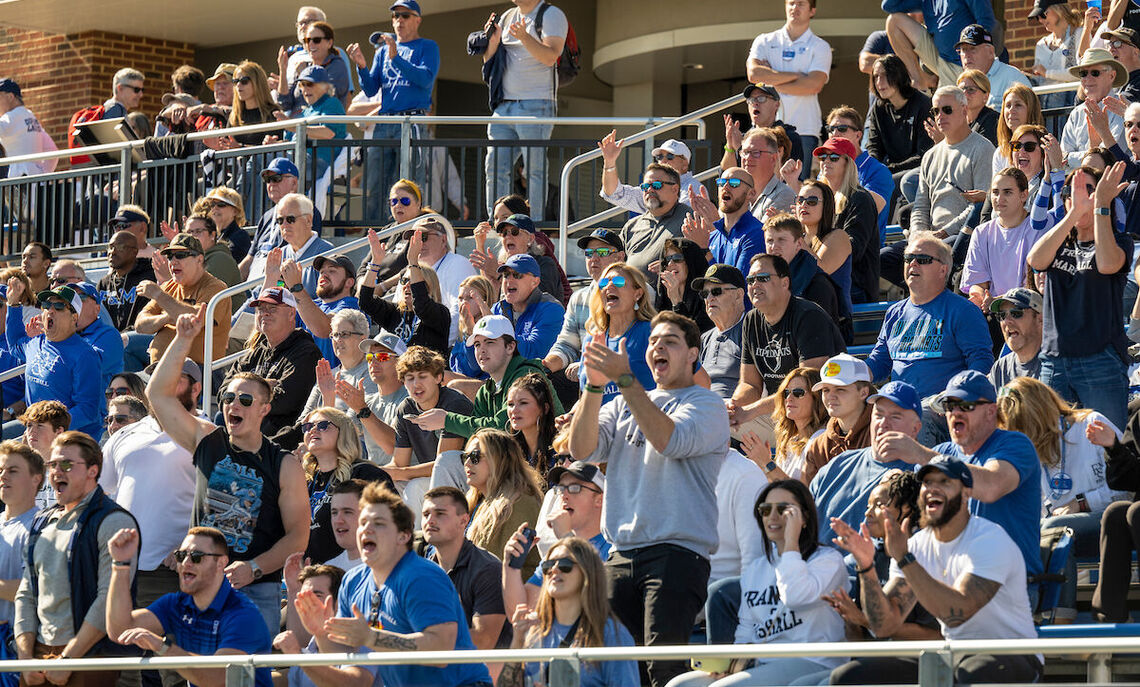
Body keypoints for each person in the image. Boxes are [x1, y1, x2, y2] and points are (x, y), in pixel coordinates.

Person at [569, 311, 729, 687]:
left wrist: (625, 379)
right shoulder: (620, 404)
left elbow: (668, 441)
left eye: (670, 341)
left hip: (677, 555)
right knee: (616, 672)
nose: (658, 347)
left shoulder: (708, 405)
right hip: (620, 555)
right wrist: (594, 388)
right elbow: (581, 449)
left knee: (663, 670)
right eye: (654, 341)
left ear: (693, 354)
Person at [146, 305, 310, 636]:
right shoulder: (208, 440)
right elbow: (157, 395)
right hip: (200, 582)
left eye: (245, 401)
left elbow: (298, 535)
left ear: (264, 409)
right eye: (229, 398)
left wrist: (254, 568)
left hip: (254, 589)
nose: (234, 404)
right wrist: (183, 339)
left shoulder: (284, 463)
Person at [829, 456, 1043, 685]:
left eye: (945, 482)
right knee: (848, 676)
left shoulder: (989, 539)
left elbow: (957, 613)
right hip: (952, 654)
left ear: (966, 493)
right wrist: (866, 566)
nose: (933, 488)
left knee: (975, 673)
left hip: (1012, 653)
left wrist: (905, 559)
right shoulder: (915, 545)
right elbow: (884, 626)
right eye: (927, 482)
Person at [667, 479, 846, 687]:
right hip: (763, 661)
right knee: (679, 685)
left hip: (814, 660)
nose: (772, 516)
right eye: (765, 510)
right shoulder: (757, 568)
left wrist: (791, 544)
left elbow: (795, 597)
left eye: (783, 509)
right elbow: (746, 627)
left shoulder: (828, 560)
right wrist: (734, 664)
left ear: (804, 517)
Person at [879, 370, 1045, 587]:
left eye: (966, 405)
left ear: (991, 411)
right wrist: (894, 482)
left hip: (1006, 583)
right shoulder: (943, 451)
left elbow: (991, 486)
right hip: (949, 578)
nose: (955, 412)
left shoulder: (1014, 444)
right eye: (949, 406)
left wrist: (921, 454)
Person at [320, 483, 492, 686]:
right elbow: (342, 651)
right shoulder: (352, 580)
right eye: (363, 522)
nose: (366, 529)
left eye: (379, 523)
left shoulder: (421, 576)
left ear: (403, 536)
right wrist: (319, 632)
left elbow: (441, 650)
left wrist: (371, 637)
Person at [13, 431, 139, 687]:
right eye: (53, 464)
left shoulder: (114, 521)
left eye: (67, 465)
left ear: (93, 471)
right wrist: (25, 658)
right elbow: (26, 593)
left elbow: (108, 599)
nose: (57, 471)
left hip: (89, 657)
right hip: (37, 655)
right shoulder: (42, 520)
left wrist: (69, 659)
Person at [998, 376, 1127, 622]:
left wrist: (1081, 503)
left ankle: (1060, 619)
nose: (1018, 437)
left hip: (1108, 524)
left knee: (1056, 529)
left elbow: (1127, 489)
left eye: (1021, 428)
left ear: (1037, 417)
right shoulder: (1025, 448)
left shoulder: (1091, 424)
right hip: (1054, 531)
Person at [104, 526, 274, 687]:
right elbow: (120, 630)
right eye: (180, 555)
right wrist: (120, 565)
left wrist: (162, 647)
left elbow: (215, 677)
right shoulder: (176, 604)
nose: (186, 562)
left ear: (221, 563)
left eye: (196, 556)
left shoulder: (243, 615)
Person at [1030, 163, 1132, 430]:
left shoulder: (1119, 241)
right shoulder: (1058, 241)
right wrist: (1075, 212)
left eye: (1089, 190)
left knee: (1108, 448)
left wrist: (1101, 206)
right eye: (1072, 192)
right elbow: (1035, 260)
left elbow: (1107, 264)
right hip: (1054, 362)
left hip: (1101, 361)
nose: (1080, 196)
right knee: (1051, 447)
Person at [866, 233, 993, 445]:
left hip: (942, 409)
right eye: (908, 258)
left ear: (943, 269)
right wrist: (852, 372)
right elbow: (880, 362)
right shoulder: (894, 313)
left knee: (918, 417)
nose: (913, 264)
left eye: (923, 259)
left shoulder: (963, 311)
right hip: (899, 405)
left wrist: (955, 396)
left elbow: (981, 362)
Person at [100, 359, 200, 611]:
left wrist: (191, 546)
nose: (162, 384)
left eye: (174, 379)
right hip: (119, 567)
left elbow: (220, 502)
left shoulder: (209, 433)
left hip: (172, 570)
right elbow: (97, 492)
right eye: (157, 379)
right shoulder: (125, 433)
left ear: (196, 389)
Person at [729, 253, 845, 440]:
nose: (755, 284)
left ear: (785, 283)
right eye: (750, 280)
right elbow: (750, 384)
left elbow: (808, 389)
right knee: (714, 416)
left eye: (763, 278)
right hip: (781, 413)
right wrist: (734, 407)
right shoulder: (751, 320)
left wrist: (750, 412)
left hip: (818, 419)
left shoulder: (808, 316)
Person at [497, 538, 639, 687]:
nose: (554, 570)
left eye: (565, 565)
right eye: (548, 565)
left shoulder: (611, 634)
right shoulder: (533, 631)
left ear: (587, 572)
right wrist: (517, 642)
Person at [346, 0, 440, 217]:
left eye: (405, 15)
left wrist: (396, 58)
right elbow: (371, 89)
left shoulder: (427, 46)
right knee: (374, 185)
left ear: (418, 20)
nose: (399, 20)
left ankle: (409, 230)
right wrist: (361, 66)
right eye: (396, 16)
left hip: (411, 122)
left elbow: (425, 79)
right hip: (385, 122)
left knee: (409, 185)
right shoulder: (382, 52)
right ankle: (375, 231)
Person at [809, 380, 926, 547]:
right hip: (814, 560)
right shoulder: (839, 463)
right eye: (879, 414)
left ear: (915, 428)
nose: (883, 423)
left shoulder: (921, 478)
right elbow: (802, 519)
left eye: (895, 417)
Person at [480, 0, 566, 222]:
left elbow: (551, 56)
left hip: (536, 104)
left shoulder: (551, 14)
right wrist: (492, 41)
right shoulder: (508, 15)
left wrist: (525, 37)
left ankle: (532, 224)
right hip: (503, 105)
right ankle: (497, 222)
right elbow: (490, 60)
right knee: (494, 168)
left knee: (534, 171)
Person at [5, 284, 103, 440]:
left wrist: (50, 428)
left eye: (59, 306)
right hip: (37, 432)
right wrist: (13, 305)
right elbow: (15, 343)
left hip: (70, 441)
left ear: (74, 317)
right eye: (46, 305)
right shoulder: (35, 343)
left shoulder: (85, 355)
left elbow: (87, 409)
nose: (50, 310)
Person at [223, 287, 323, 437]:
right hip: (248, 430)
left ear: (291, 314)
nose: (265, 313)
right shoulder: (255, 352)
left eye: (272, 308)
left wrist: (242, 392)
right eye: (261, 309)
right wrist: (263, 385)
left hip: (279, 437)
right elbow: (224, 391)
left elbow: (283, 402)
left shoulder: (306, 353)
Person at [746, 0, 831, 172]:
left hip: (804, 129)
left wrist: (770, 79)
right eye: (791, 3)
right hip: (765, 129)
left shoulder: (820, 46)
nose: (795, 8)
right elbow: (753, 74)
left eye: (801, 3)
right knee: (759, 182)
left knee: (797, 184)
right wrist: (797, 76)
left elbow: (814, 85)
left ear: (812, 10)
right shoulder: (765, 40)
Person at [420, 486, 509, 650]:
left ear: (464, 521)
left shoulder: (488, 569)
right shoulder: (422, 573)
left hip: (481, 666)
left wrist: (422, 642)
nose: (430, 521)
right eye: (426, 514)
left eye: (440, 514)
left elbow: (483, 640)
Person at [299, 407, 391, 564]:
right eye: (307, 426)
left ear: (343, 432)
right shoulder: (305, 481)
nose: (313, 430)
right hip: (311, 573)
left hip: (356, 567)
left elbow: (390, 523)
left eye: (323, 425)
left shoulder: (365, 474)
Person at [389, 345, 473, 513]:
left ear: (438, 377)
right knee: (382, 486)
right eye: (410, 378)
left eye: (422, 376)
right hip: (431, 478)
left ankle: (423, 531)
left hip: (464, 479)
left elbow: (443, 465)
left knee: (414, 487)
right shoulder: (405, 408)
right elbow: (399, 463)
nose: (416, 384)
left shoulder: (454, 403)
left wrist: (399, 473)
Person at [134, 233, 231, 367]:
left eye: (180, 255)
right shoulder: (168, 287)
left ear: (199, 260)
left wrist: (159, 295)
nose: (173, 261)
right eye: (170, 256)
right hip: (161, 369)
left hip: (197, 371)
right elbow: (140, 325)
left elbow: (196, 319)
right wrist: (167, 318)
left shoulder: (216, 288)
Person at [543, 229, 627, 381]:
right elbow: (567, 345)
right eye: (589, 253)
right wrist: (544, 366)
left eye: (602, 252)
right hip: (588, 380)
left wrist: (585, 366)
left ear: (620, 257)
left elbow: (632, 347)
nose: (594, 258)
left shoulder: (636, 292)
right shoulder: (578, 298)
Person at [462, 428, 543, 574]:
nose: (467, 463)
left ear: (499, 460)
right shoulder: (480, 502)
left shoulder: (518, 503)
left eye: (475, 456)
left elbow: (496, 568)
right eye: (465, 457)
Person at [813, 136, 881, 303]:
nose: (826, 161)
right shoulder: (820, 200)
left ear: (848, 163)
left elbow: (853, 250)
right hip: (828, 279)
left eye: (834, 157)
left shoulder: (860, 199)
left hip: (855, 287)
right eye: (823, 157)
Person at [580, 262, 659, 403]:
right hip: (599, 417)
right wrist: (571, 413)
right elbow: (586, 397)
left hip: (642, 415)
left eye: (618, 281)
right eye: (604, 283)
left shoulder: (652, 333)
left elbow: (689, 382)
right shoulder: (592, 340)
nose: (609, 286)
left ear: (638, 294)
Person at [880, 0, 1000, 90]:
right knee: (894, 21)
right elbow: (888, 6)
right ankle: (918, 80)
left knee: (956, 109)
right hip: (940, 59)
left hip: (966, 63)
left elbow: (986, 21)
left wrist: (978, 60)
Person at [960, 168, 1038, 307]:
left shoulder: (1038, 229)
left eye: (1007, 192)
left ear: (1024, 195)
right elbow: (977, 282)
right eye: (995, 192)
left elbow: (1033, 287)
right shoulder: (981, 232)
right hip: (992, 310)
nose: (999, 199)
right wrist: (980, 296)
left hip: (1026, 308)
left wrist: (997, 301)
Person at [242, 158, 324, 280]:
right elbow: (251, 257)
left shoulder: (306, 211)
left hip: (281, 284)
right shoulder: (266, 217)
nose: (271, 184)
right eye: (268, 180)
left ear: (294, 183)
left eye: (276, 178)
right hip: (254, 285)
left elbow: (303, 255)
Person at [866, 55, 935, 200]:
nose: (879, 82)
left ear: (898, 75)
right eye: (876, 76)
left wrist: (887, 170)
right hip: (890, 171)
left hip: (918, 172)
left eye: (885, 75)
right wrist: (875, 168)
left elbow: (924, 155)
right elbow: (874, 147)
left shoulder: (923, 105)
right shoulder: (878, 108)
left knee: (887, 184)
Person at [802, 353, 874, 484]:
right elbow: (809, 495)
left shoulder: (882, 433)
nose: (831, 396)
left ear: (864, 392)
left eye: (840, 389)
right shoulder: (818, 447)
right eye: (826, 390)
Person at [823, 106, 894, 238]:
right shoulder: (827, 166)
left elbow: (865, 212)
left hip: (863, 245)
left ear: (858, 135)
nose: (835, 133)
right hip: (827, 242)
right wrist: (793, 181)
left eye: (842, 128)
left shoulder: (878, 171)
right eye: (831, 129)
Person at [683, 167, 765, 279]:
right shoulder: (713, 236)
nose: (725, 187)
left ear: (751, 193)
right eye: (721, 183)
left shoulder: (756, 233)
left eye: (734, 183)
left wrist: (704, 250)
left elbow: (737, 285)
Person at [618, 164, 693, 283]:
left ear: (675, 189)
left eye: (657, 185)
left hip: (669, 291)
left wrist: (672, 264)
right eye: (645, 186)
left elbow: (701, 259)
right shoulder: (631, 226)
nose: (650, 190)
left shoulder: (690, 219)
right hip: (629, 289)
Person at [489, 253, 565, 360]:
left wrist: (494, 330)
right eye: (506, 275)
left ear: (535, 282)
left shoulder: (551, 309)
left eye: (517, 275)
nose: (509, 280)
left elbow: (535, 352)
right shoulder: (497, 308)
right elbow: (476, 363)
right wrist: (469, 332)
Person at [1061, 49, 1129, 168]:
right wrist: (1091, 153)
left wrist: (1072, 158)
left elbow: (1110, 156)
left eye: (1095, 73)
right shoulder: (1076, 113)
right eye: (1083, 73)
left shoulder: (1121, 109)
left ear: (1112, 76)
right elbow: (1063, 157)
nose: (1087, 78)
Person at [599, 135, 705, 211]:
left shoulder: (695, 188)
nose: (663, 161)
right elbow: (614, 193)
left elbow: (679, 218)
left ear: (685, 164)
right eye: (660, 157)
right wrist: (609, 162)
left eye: (670, 156)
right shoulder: (650, 189)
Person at [796, 180, 853, 313]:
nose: (804, 205)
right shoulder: (800, 239)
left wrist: (792, 235)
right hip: (800, 313)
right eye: (800, 200)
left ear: (826, 206)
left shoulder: (839, 236)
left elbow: (821, 270)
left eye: (812, 201)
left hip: (832, 316)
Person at [276, 20, 352, 118]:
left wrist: (304, 76)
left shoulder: (336, 65)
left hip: (323, 124)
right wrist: (283, 70)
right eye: (307, 40)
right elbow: (284, 104)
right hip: (298, 125)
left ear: (329, 43)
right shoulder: (303, 66)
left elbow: (331, 95)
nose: (310, 44)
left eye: (316, 40)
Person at [722, 85, 804, 175]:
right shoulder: (743, 138)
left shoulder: (788, 137)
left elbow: (783, 178)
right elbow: (725, 176)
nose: (755, 103)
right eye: (751, 100)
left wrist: (740, 149)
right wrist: (730, 146)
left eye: (761, 98)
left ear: (776, 105)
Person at [696, 264, 748, 401]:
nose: (709, 298)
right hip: (706, 405)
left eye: (716, 291)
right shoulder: (704, 338)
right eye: (704, 294)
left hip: (737, 407)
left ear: (738, 295)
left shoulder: (752, 331)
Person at [955, 24, 1032, 110]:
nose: (967, 55)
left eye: (972, 49)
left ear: (990, 51)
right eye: (963, 50)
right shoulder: (962, 84)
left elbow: (1028, 114)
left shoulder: (1013, 79)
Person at [181, 214, 243, 310]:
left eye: (198, 231)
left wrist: (168, 277)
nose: (192, 236)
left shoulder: (220, 259)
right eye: (189, 232)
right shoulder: (190, 260)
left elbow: (203, 301)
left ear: (212, 235)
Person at [99, 231, 156, 336]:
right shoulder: (103, 283)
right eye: (110, 247)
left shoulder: (148, 278)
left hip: (137, 337)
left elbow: (147, 316)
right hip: (108, 340)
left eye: (119, 247)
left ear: (134, 251)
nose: (112, 252)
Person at [988, 287, 1044, 388]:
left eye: (1016, 313)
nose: (1006, 321)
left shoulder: (1058, 364)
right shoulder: (1000, 368)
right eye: (1002, 315)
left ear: (1040, 319)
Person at [16, 401, 67, 509]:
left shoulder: (70, 470)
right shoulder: (20, 469)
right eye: (29, 425)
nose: (32, 431)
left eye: (40, 426)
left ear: (59, 432)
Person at [506, 372, 559, 474]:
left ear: (544, 408)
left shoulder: (559, 447)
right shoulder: (510, 451)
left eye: (523, 403)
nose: (514, 410)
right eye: (510, 404)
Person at [0, 79, 55, 178]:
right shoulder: (31, 117)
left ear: (10, 97)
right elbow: (52, 151)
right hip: (36, 181)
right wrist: (42, 174)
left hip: (16, 179)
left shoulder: (11, 117)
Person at [1031, 0, 1081, 107]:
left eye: (1043, 14)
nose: (1040, 20)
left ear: (1059, 9)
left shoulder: (1079, 35)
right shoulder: (1041, 45)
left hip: (1070, 106)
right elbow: (1039, 81)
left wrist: (1047, 73)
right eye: (1037, 17)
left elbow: (1081, 73)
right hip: (1044, 108)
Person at [740, 127, 797, 221]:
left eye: (755, 153)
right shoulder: (738, 193)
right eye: (745, 152)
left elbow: (762, 231)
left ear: (773, 158)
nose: (748, 158)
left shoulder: (784, 195)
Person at [992, 84, 1045, 176]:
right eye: (1008, 105)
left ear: (1031, 110)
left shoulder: (1046, 146)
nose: (1011, 110)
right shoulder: (1000, 152)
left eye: (1018, 105)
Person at [452, 276, 498, 378]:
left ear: (484, 300)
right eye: (460, 298)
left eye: (470, 298)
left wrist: (470, 332)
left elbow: (474, 369)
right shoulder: (461, 328)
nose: (464, 302)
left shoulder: (496, 325)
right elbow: (455, 365)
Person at [1106, 26, 1140, 103]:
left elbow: (1126, 102)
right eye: (1110, 44)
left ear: (1136, 52)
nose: (1111, 49)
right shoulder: (1112, 81)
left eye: (1117, 44)